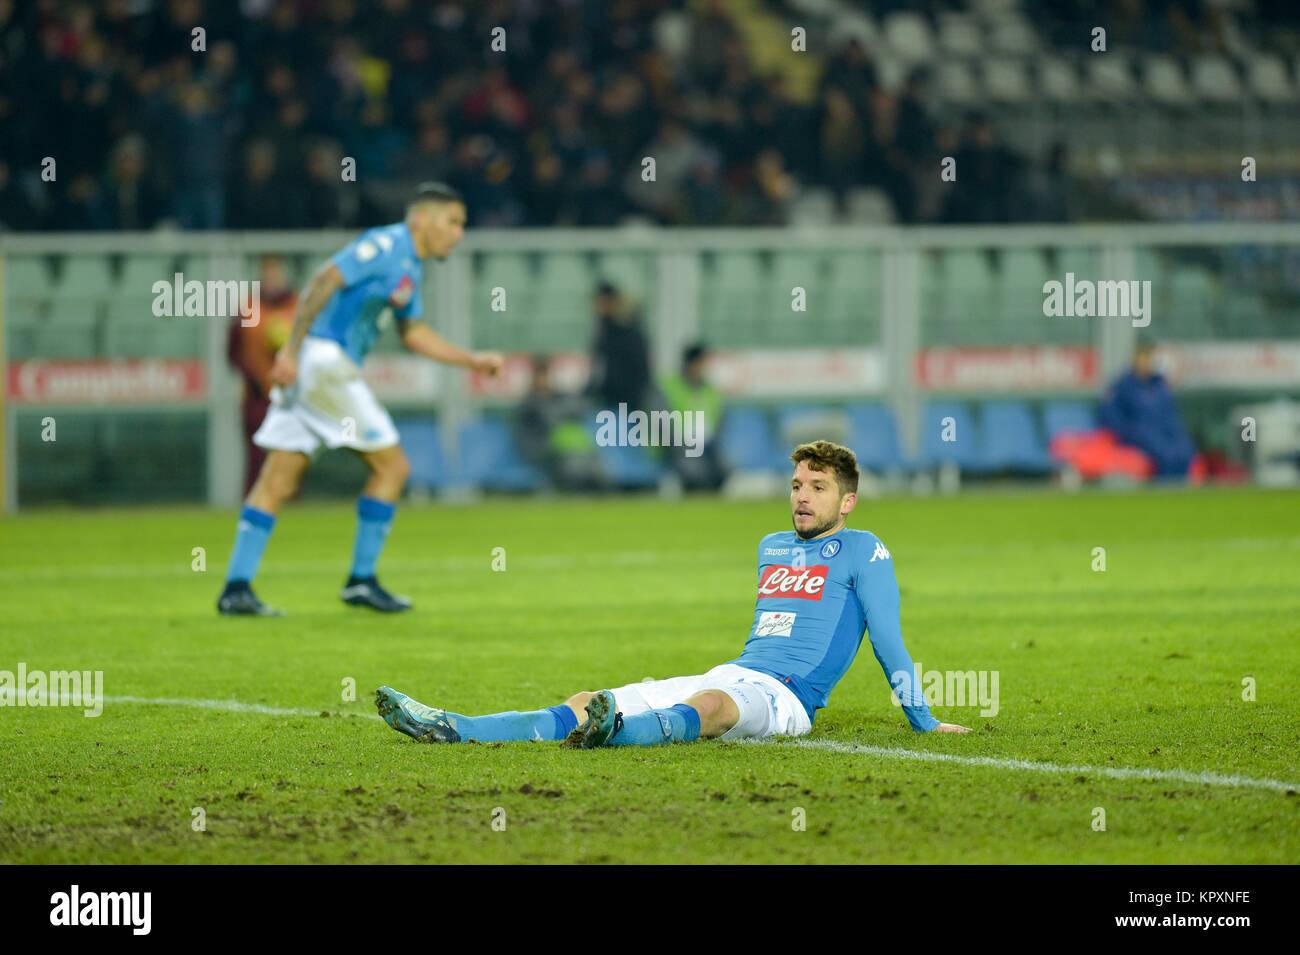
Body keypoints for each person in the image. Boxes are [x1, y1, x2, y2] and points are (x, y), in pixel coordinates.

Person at [375, 440, 971, 746]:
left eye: (818, 487)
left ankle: (618, 734)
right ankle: (457, 727)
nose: (802, 497)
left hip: (789, 700)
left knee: (710, 710)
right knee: (590, 696)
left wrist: (924, 721)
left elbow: (888, 639)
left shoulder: (865, 549)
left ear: (848, 501)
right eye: (795, 485)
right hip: (734, 670)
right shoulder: (771, 544)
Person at [216, 183, 504, 616]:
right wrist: (292, 351)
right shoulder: (386, 244)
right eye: (453, 221)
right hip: (324, 365)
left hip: (315, 369)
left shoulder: (412, 267)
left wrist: (471, 361)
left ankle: (236, 588)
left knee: (278, 479)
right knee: (393, 466)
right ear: (422, 219)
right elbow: (324, 279)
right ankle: (361, 579)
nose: (459, 233)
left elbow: (413, 333)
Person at [227, 254, 297, 495]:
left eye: (275, 274)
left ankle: (295, 507)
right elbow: (233, 353)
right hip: (256, 395)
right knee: (256, 459)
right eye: (266, 275)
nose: (271, 280)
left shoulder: (296, 305)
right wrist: (254, 378)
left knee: (292, 457)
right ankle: (252, 508)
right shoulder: (248, 308)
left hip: (291, 395)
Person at [1098, 341, 1197, 478]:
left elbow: (1171, 415)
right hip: (1139, 435)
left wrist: (1177, 434)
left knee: (1184, 451)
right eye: (1143, 357)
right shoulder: (1122, 385)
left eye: (1149, 358)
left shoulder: (1160, 385)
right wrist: (1131, 432)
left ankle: (1180, 492)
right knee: (1165, 454)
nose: (1146, 362)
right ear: (1135, 359)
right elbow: (1111, 416)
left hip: (1165, 433)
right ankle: (1163, 492)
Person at [657, 342, 727, 491]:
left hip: (707, 445)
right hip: (678, 445)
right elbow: (662, 421)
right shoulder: (669, 387)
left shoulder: (710, 391)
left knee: (722, 467)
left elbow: (718, 422)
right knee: (693, 470)